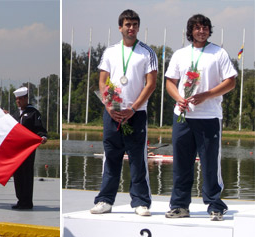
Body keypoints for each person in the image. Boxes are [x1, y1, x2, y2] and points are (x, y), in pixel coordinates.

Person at [164, 14, 237, 221]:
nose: (202, 31)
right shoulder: (180, 54)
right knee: (182, 164)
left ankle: (215, 205)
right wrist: (179, 98)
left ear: (209, 31)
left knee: (210, 164)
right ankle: (179, 206)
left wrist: (207, 95)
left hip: (209, 117)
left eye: (205, 28)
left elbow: (230, 82)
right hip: (183, 117)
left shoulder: (218, 53)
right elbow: (170, 82)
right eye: (197, 28)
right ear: (191, 31)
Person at [90, 9, 157, 216]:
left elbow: (151, 84)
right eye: (128, 24)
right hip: (112, 113)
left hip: (136, 113)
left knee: (138, 159)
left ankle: (140, 202)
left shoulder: (147, 52)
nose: (131, 28)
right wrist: (110, 107)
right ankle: (105, 200)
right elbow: (103, 81)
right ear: (120, 27)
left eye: (135, 24)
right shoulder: (110, 51)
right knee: (111, 156)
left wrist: (134, 108)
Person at [11, 87, 47, 210]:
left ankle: (27, 201)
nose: (18, 101)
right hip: (16, 149)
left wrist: (42, 136)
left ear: (26, 98)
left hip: (27, 149)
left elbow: (39, 129)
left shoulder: (33, 113)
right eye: (16, 99)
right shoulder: (15, 114)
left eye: (20, 99)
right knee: (18, 175)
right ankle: (20, 199)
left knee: (26, 174)